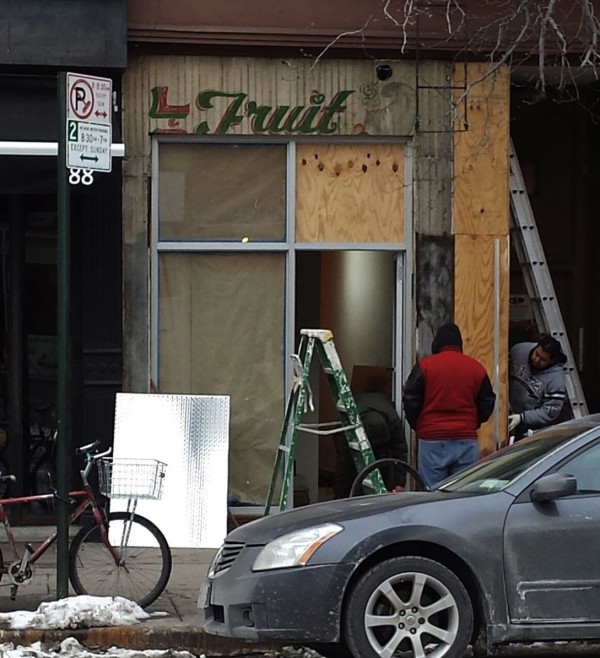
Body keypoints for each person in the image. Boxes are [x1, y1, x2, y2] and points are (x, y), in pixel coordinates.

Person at [402, 323, 496, 488]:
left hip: (432, 439)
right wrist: (473, 423)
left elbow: (410, 399)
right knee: (463, 492)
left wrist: (419, 426)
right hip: (465, 438)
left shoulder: (425, 366)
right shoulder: (476, 368)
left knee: (432, 495)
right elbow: (487, 401)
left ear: (437, 343)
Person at [333, 392, 407, 499]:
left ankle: (379, 498)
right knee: (347, 467)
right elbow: (343, 461)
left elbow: (400, 451)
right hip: (359, 424)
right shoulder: (346, 424)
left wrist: (399, 484)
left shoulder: (393, 420)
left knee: (381, 465)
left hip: (377, 416)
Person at [508, 333, 567, 440]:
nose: (536, 360)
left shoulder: (556, 380)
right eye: (536, 354)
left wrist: (522, 417)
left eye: (543, 359)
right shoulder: (518, 350)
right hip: (507, 411)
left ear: (552, 361)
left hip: (532, 423)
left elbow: (549, 412)